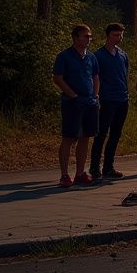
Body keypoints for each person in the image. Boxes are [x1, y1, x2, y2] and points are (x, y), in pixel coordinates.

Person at [52, 24, 100, 188]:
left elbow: (95, 77)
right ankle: (64, 175)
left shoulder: (91, 57)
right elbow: (58, 78)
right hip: (72, 103)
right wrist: (72, 94)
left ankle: (80, 173)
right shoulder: (64, 56)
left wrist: (95, 95)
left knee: (85, 137)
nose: (89, 39)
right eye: (86, 36)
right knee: (68, 137)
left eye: (90, 36)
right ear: (76, 37)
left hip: (89, 103)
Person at [89, 22, 129, 180]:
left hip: (122, 99)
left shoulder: (123, 54)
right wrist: (96, 96)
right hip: (106, 99)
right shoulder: (98, 55)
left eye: (120, 35)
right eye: (115, 35)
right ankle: (94, 167)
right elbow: (95, 78)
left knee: (116, 134)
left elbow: (125, 75)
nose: (119, 38)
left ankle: (108, 166)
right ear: (108, 35)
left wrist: (126, 92)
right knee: (101, 134)